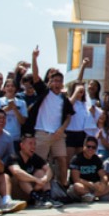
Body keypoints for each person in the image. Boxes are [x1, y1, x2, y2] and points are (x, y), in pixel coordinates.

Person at [26, 47, 75, 187]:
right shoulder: (44, 92)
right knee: (40, 162)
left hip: (58, 135)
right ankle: (40, 189)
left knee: (62, 160)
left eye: (60, 81)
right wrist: (34, 58)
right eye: (55, 80)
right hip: (42, 133)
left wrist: (62, 129)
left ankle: (63, 187)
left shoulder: (64, 99)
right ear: (50, 81)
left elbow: (68, 116)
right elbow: (35, 77)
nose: (57, 83)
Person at [7, 133, 62, 208]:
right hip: (15, 193)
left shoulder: (34, 157)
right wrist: (36, 180)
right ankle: (38, 200)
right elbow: (16, 172)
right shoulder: (13, 157)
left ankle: (47, 198)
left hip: (30, 192)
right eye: (30, 144)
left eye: (34, 144)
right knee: (22, 177)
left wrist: (44, 179)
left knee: (41, 172)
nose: (33, 147)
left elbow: (49, 169)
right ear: (22, 145)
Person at [67, 135, 109, 203]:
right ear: (84, 146)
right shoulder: (76, 159)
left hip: (95, 187)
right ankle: (97, 195)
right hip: (83, 186)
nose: (91, 149)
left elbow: (103, 175)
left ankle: (91, 196)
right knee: (77, 186)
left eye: (93, 147)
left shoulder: (97, 159)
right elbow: (76, 179)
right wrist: (91, 185)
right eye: (88, 146)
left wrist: (103, 183)